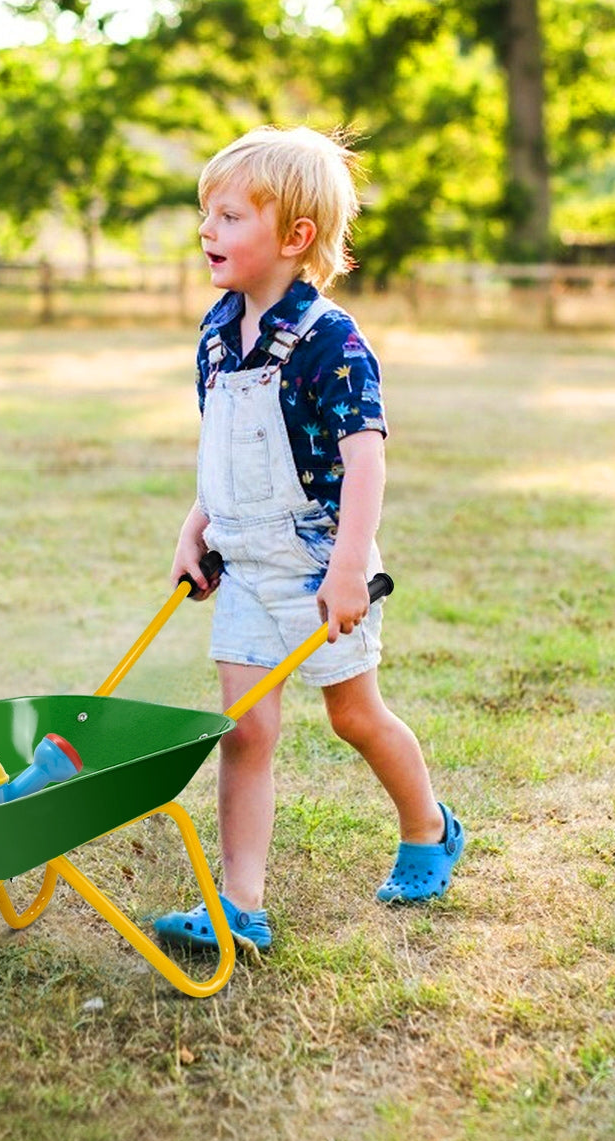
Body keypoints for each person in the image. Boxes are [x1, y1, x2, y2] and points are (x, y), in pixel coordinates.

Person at [154, 126, 464, 953]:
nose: (206, 231)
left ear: (293, 238)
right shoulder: (217, 333)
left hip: (318, 565)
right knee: (244, 731)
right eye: (205, 214)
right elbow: (221, 449)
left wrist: (348, 569)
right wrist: (198, 526)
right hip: (247, 567)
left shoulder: (333, 341)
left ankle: (429, 826)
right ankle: (240, 906)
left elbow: (366, 461)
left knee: (354, 718)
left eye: (228, 215)